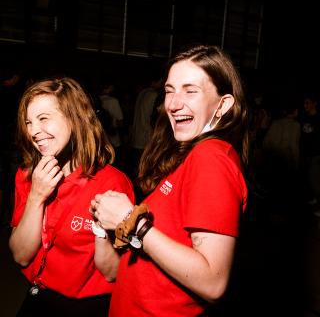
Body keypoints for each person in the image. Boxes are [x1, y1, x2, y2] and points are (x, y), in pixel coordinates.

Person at [91, 44, 249, 316]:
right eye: (169, 90)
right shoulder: (193, 153)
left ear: (222, 105)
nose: (173, 104)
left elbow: (213, 282)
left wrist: (132, 221)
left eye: (190, 91)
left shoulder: (211, 158)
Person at [9, 77, 135, 316]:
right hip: (37, 295)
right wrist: (36, 196)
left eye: (43, 118)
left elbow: (113, 272)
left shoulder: (112, 183)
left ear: (75, 119)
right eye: (29, 122)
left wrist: (102, 232)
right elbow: (21, 256)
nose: (34, 131)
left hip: (86, 307)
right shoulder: (28, 175)